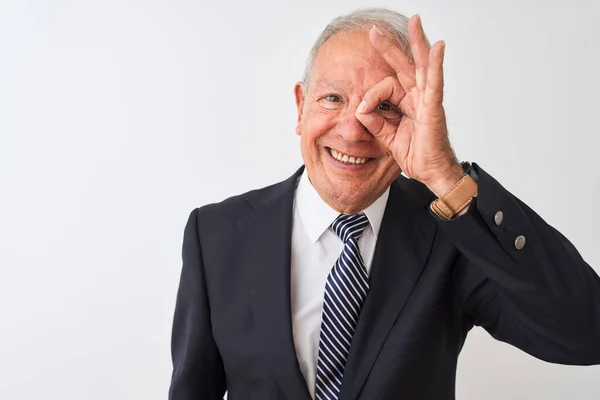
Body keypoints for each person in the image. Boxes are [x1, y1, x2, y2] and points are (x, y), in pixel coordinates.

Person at [168, 7, 600, 400]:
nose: (354, 132)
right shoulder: (216, 234)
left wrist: (445, 174)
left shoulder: (453, 234)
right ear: (301, 106)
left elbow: (585, 334)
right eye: (333, 98)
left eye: (386, 107)